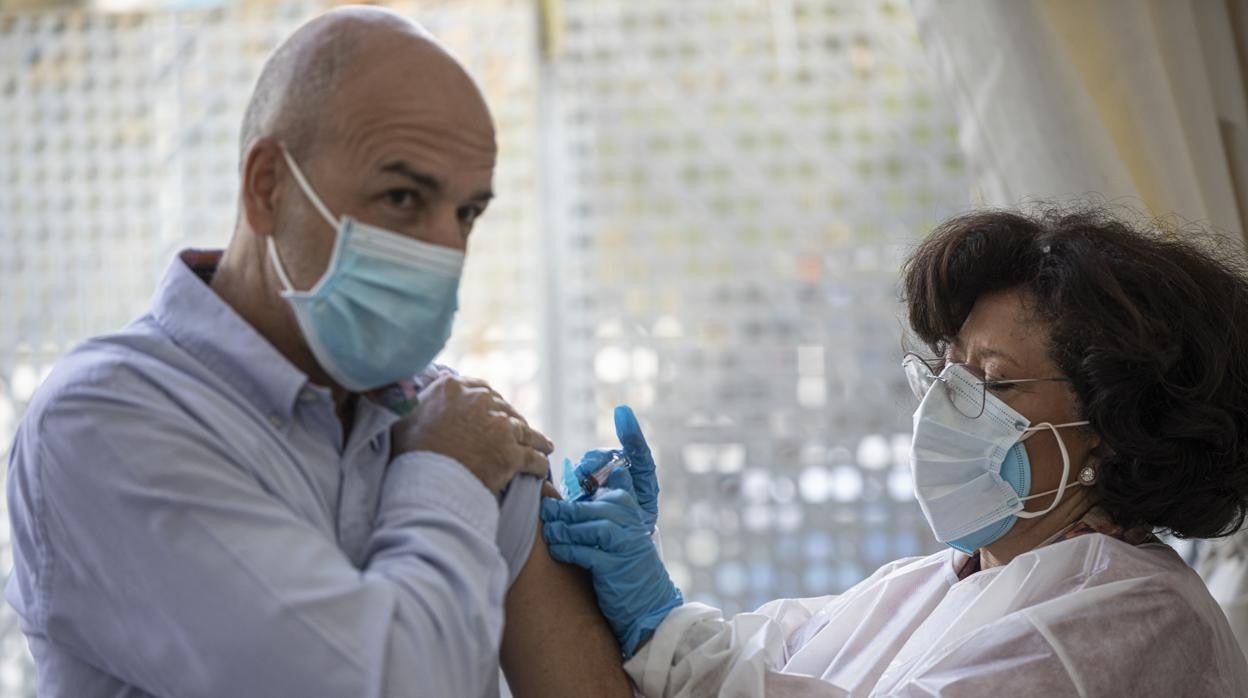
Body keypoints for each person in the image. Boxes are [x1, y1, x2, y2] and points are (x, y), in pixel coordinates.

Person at [5, 7, 630, 697]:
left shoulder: (444, 415)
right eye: (401, 197)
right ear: (267, 186)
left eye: (466, 214)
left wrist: (663, 632)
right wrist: (442, 476)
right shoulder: (104, 424)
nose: (446, 251)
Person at [543, 207, 1248, 696]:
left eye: (995, 381)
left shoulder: (1138, 618)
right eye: (947, 369)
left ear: (1112, 422)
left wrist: (656, 620)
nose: (947, 405)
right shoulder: (934, 583)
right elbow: (757, 663)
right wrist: (633, 590)